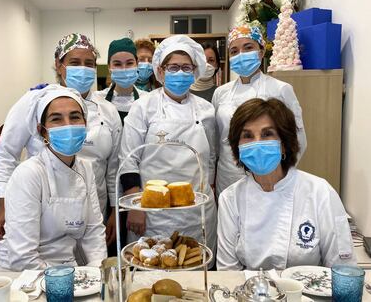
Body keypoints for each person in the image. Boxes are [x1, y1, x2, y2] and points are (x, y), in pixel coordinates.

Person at [0, 33, 121, 248]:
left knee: (91, 261)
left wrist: (114, 212)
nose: (83, 68)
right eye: (74, 62)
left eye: (89, 63)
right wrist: (4, 206)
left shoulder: (108, 110)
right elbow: (5, 153)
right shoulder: (34, 100)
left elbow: (113, 166)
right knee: (47, 264)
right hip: (43, 206)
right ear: (59, 65)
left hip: (94, 206)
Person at [217, 98, 356, 270]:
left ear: (283, 144)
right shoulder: (230, 199)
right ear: (237, 147)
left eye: (267, 134)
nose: (257, 143)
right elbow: (227, 273)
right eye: (247, 136)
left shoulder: (320, 192)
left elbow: (343, 270)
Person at [119, 35, 218, 259]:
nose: (180, 73)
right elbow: (128, 159)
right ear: (161, 72)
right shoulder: (143, 107)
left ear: (195, 72)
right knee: (151, 271)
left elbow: (211, 157)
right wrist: (136, 207)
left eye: (186, 68)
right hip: (152, 212)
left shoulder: (206, 110)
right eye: (173, 67)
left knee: (193, 268)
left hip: (196, 210)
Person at [0, 86, 107, 271]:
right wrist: (60, 282)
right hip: (24, 274)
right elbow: (22, 255)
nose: (68, 125)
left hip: (68, 268)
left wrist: (98, 271)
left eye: (75, 117)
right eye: (56, 119)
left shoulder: (86, 169)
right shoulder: (29, 174)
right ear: (42, 131)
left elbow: (93, 231)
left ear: (85, 123)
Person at [212, 25, 307, 197]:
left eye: (248, 48)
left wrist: (282, 176)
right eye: (234, 51)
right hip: (228, 176)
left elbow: (297, 138)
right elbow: (216, 140)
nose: (241, 54)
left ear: (261, 52)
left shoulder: (280, 89)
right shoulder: (221, 93)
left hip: (270, 176)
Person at [94, 38, 148, 123]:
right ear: (109, 67)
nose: (124, 69)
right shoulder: (98, 100)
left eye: (129, 63)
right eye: (117, 64)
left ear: (137, 64)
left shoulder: (147, 100)